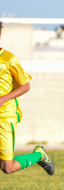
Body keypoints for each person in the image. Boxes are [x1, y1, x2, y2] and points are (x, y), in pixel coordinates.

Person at [0, 22, 55, 177]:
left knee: (7, 167)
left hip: (4, 117)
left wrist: (3, 99)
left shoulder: (9, 59)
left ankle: (39, 155)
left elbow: (25, 86)